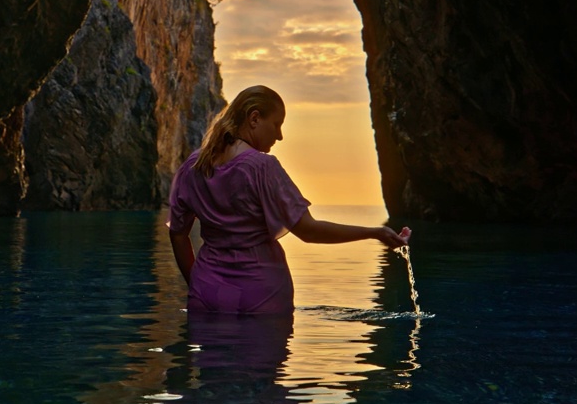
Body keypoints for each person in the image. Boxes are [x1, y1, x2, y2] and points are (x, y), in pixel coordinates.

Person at [167, 84, 411, 314]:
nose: (280, 135)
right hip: (260, 296)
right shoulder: (262, 167)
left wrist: (198, 284)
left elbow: (178, 234)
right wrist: (374, 232)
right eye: (276, 124)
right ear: (254, 119)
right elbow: (309, 231)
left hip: (206, 293)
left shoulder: (192, 166)